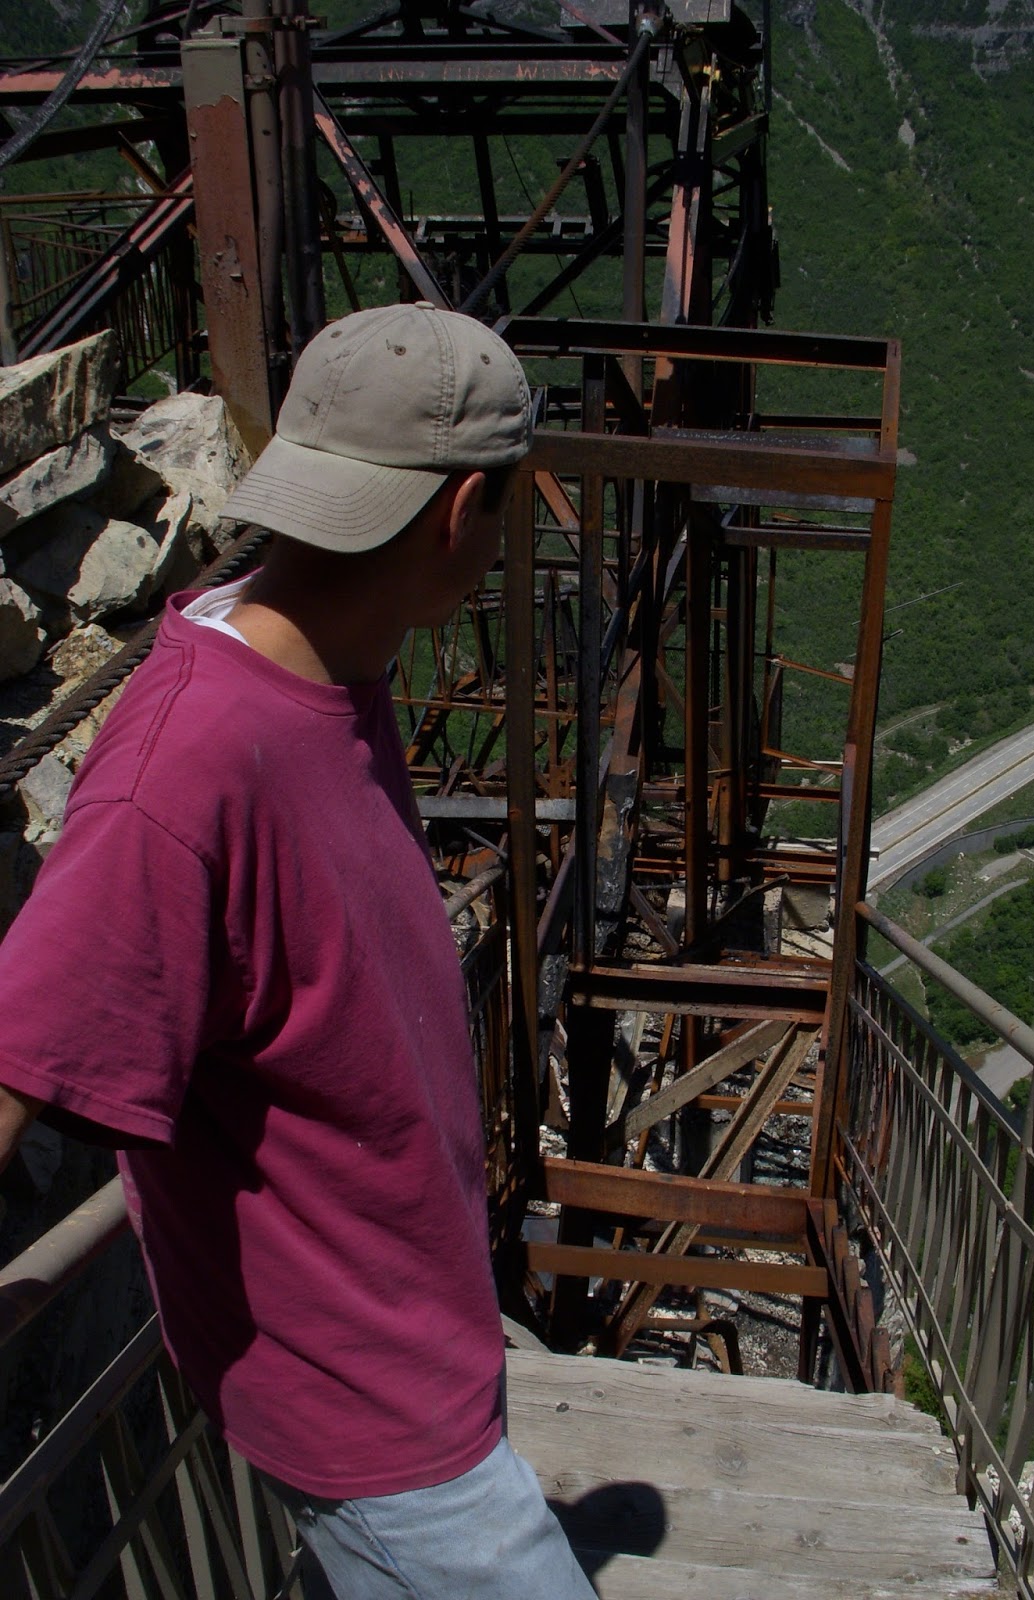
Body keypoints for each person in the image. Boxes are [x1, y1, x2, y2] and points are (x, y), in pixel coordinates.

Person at [0, 302, 595, 1599]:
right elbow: (17, 1059)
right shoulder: (190, 767)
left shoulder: (322, 649)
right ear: (462, 516)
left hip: (412, 1348)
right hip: (372, 1414)